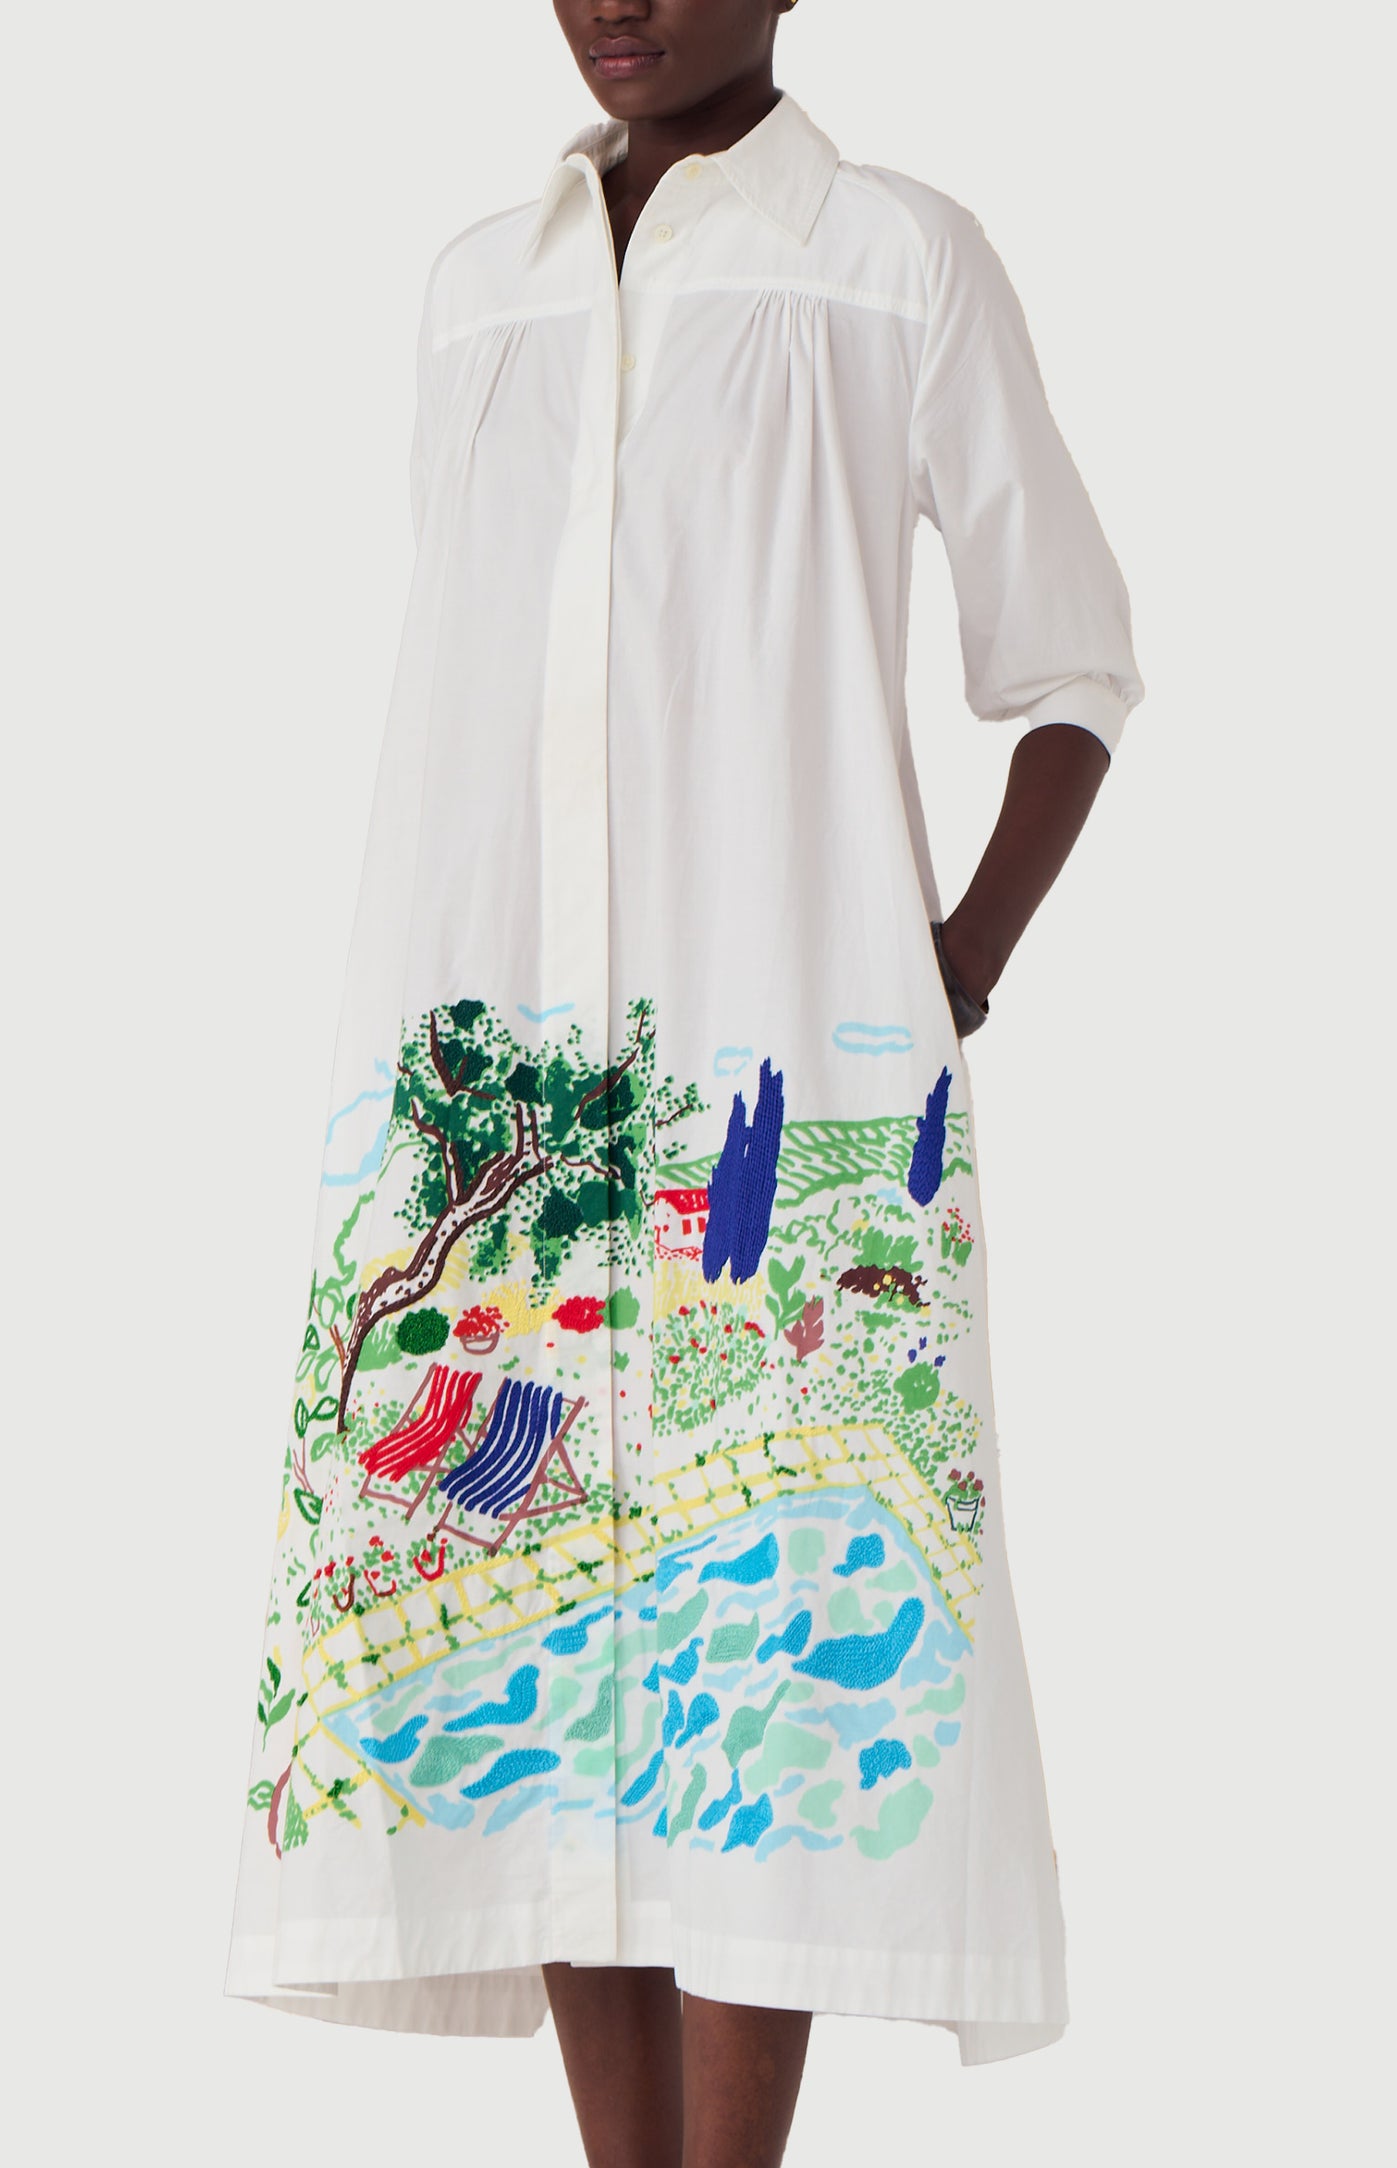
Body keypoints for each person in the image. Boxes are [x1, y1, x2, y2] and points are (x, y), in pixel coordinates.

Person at [224, 5, 1144, 2163]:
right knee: (551, 1647)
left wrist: (959, 959)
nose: (615, 0)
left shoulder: (893, 258)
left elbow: (1074, 662)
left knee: (756, 1655)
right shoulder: (477, 286)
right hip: (497, 1076)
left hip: (774, 1062)